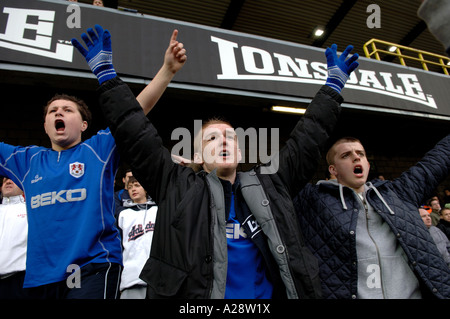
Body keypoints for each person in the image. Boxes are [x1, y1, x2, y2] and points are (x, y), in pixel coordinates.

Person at [72, 24, 359, 298]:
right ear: (197, 157)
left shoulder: (272, 183)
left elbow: (308, 138)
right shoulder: (176, 185)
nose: (223, 141)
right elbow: (134, 129)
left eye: (230, 137)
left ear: (241, 153)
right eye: (212, 139)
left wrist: (333, 85)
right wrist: (106, 73)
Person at [0, 27, 186, 299]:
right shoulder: (25, 160)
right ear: (45, 125)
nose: (58, 113)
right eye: (53, 111)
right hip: (40, 276)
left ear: (84, 124)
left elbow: (133, 113)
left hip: (93, 266)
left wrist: (168, 70)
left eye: (67, 110)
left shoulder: (99, 148)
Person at [294, 136, 450, 299]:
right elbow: (280, 174)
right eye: (346, 155)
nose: (356, 157)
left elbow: (437, 160)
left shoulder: (398, 193)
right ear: (333, 170)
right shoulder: (313, 200)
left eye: (361, 154)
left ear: (367, 164)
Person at [117, 176, 158, 299]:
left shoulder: (159, 210)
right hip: (132, 278)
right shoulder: (123, 215)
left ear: (146, 189)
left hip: (158, 279)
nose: (133, 189)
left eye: (137, 185)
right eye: (130, 187)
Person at [0, 178, 28, 299]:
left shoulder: (31, 210)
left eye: (13, 179)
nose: (8, 181)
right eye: (5, 180)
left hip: (20, 280)